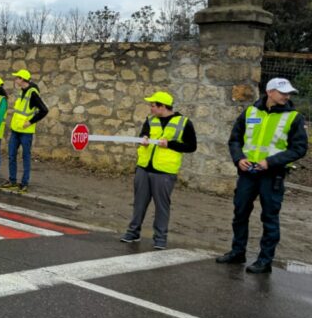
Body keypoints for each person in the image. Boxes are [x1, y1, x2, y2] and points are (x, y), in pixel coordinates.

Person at [216, 78, 308, 274]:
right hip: (247, 172)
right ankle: (237, 252)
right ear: (270, 92)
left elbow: (299, 149)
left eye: (288, 93)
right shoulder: (250, 112)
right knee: (240, 213)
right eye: (283, 92)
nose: (287, 96)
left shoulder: (294, 117)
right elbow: (234, 140)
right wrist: (239, 158)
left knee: (269, 217)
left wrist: (270, 162)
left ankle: (265, 261)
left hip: (272, 175)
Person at [119, 92, 197, 250]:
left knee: (162, 206)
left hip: (164, 171)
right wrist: (144, 139)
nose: (150, 108)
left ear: (162, 107)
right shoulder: (150, 120)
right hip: (143, 167)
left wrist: (170, 144)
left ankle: (160, 238)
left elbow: (191, 146)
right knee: (139, 203)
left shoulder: (184, 123)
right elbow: (143, 135)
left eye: (153, 105)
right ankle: (133, 232)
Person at [4, 69, 48, 193]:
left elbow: (44, 110)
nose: (15, 80)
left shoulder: (32, 93)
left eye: (17, 78)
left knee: (25, 156)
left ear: (22, 79)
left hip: (26, 131)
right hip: (15, 130)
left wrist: (30, 122)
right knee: (11, 155)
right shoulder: (21, 91)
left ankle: (24, 183)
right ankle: (12, 181)